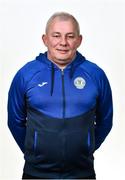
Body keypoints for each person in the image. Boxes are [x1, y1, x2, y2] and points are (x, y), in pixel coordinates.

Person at [8, 12, 113, 179]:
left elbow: (105, 121)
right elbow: (15, 121)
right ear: (45, 39)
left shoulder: (95, 75)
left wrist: (86, 148)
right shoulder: (26, 75)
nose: (63, 42)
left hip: (82, 173)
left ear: (79, 40)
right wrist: (34, 151)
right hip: (36, 174)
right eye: (56, 36)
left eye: (70, 36)